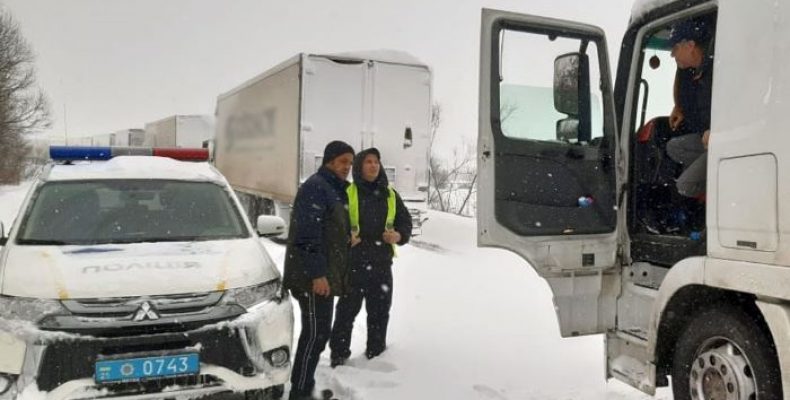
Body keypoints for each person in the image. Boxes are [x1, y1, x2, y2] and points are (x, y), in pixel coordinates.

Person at [283, 140, 355, 400]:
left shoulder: (332, 187)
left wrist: (347, 238)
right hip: (310, 278)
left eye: (350, 162)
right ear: (330, 161)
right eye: (343, 161)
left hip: (319, 274)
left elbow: (327, 229)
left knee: (318, 333)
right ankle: (300, 392)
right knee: (315, 335)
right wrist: (317, 275)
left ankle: (305, 385)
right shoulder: (317, 187)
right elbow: (307, 236)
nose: (348, 167)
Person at [329, 148, 412, 367]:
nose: (374, 165)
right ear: (359, 167)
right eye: (368, 162)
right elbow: (332, 226)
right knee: (346, 313)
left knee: (380, 313)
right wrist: (347, 237)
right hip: (354, 265)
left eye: (376, 162)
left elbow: (406, 222)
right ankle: (339, 355)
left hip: (382, 265)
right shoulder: (348, 192)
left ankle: (376, 355)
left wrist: (399, 235)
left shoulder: (390, 194)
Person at [666, 17, 715, 198]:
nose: (672, 55)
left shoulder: (716, 69)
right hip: (704, 138)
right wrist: (678, 107)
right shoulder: (692, 72)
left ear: (690, 45)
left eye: (675, 48)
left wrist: (716, 130)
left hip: (721, 139)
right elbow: (686, 94)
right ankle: (706, 170)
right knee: (673, 147)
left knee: (685, 186)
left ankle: (721, 182)